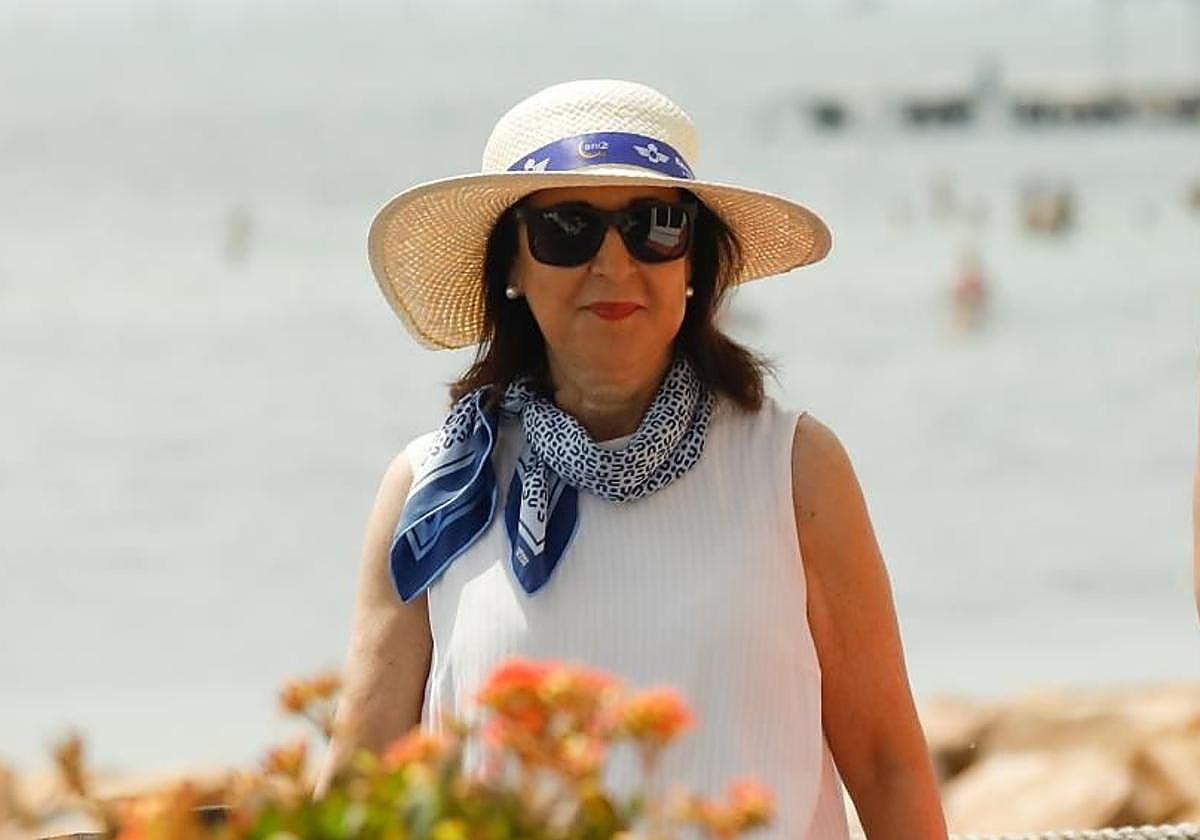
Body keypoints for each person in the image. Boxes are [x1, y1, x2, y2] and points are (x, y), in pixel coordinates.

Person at [318, 79, 947, 839]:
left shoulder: (794, 469)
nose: (614, 264)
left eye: (654, 225)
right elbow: (359, 783)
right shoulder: (434, 494)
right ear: (511, 266)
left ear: (693, 260)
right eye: (568, 229)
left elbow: (885, 762)